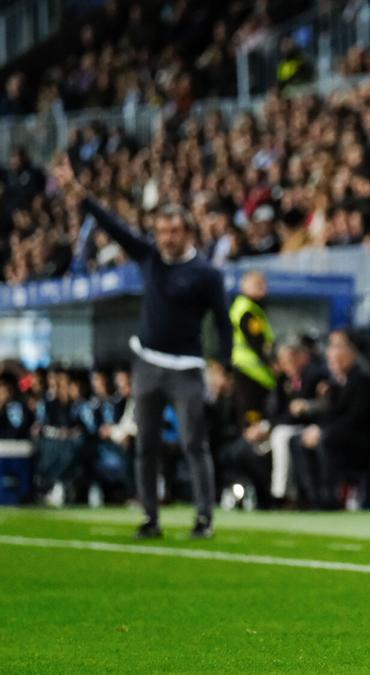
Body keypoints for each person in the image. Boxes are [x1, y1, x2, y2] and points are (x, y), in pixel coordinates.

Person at [54, 158, 232, 540]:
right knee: (145, 445)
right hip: (147, 363)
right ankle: (151, 517)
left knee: (193, 444)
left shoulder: (206, 274)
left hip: (186, 367)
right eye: (161, 231)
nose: (165, 238)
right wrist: (76, 191)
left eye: (173, 231)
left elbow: (222, 321)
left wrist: (223, 365)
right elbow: (113, 226)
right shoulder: (150, 257)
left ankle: (204, 517)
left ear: (188, 233)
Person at [293, 330, 370, 509]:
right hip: (343, 434)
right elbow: (332, 414)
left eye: (336, 347)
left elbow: (357, 419)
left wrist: (323, 431)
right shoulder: (336, 383)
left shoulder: (363, 379)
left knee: (326, 440)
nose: (331, 353)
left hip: (364, 440)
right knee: (300, 440)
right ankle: (313, 497)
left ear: (352, 351)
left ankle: (330, 497)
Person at [229, 270, 276, 427]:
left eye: (263, 284)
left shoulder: (251, 307)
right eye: (257, 284)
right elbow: (258, 343)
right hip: (251, 372)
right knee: (252, 418)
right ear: (244, 285)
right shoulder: (247, 310)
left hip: (251, 371)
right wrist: (274, 364)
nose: (262, 288)